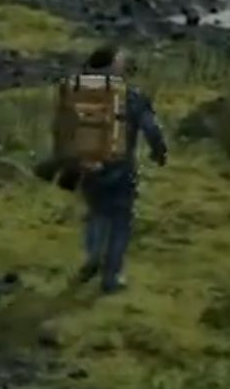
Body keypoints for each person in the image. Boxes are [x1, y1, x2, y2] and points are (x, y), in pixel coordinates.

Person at [53, 45, 167, 295]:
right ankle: (111, 277)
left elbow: (63, 128)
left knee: (96, 213)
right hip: (120, 171)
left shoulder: (75, 90)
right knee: (120, 222)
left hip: (88, 168)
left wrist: (64, 160)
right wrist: (160, 152)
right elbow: (152, 129)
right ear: (116, 66)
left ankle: (93, 256)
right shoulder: (132, 95)